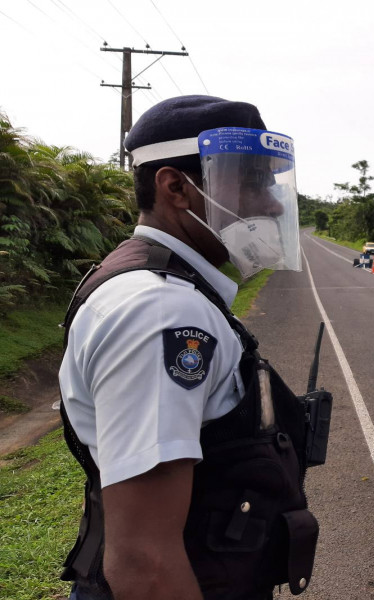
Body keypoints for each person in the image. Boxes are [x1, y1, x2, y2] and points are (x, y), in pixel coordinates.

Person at [58, 95, 321, 600]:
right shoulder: (162, 312)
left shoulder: (157, 285)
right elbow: (146, 563)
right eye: (249, 180)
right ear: (176, 187)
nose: (269, 203)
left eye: (271, 183)